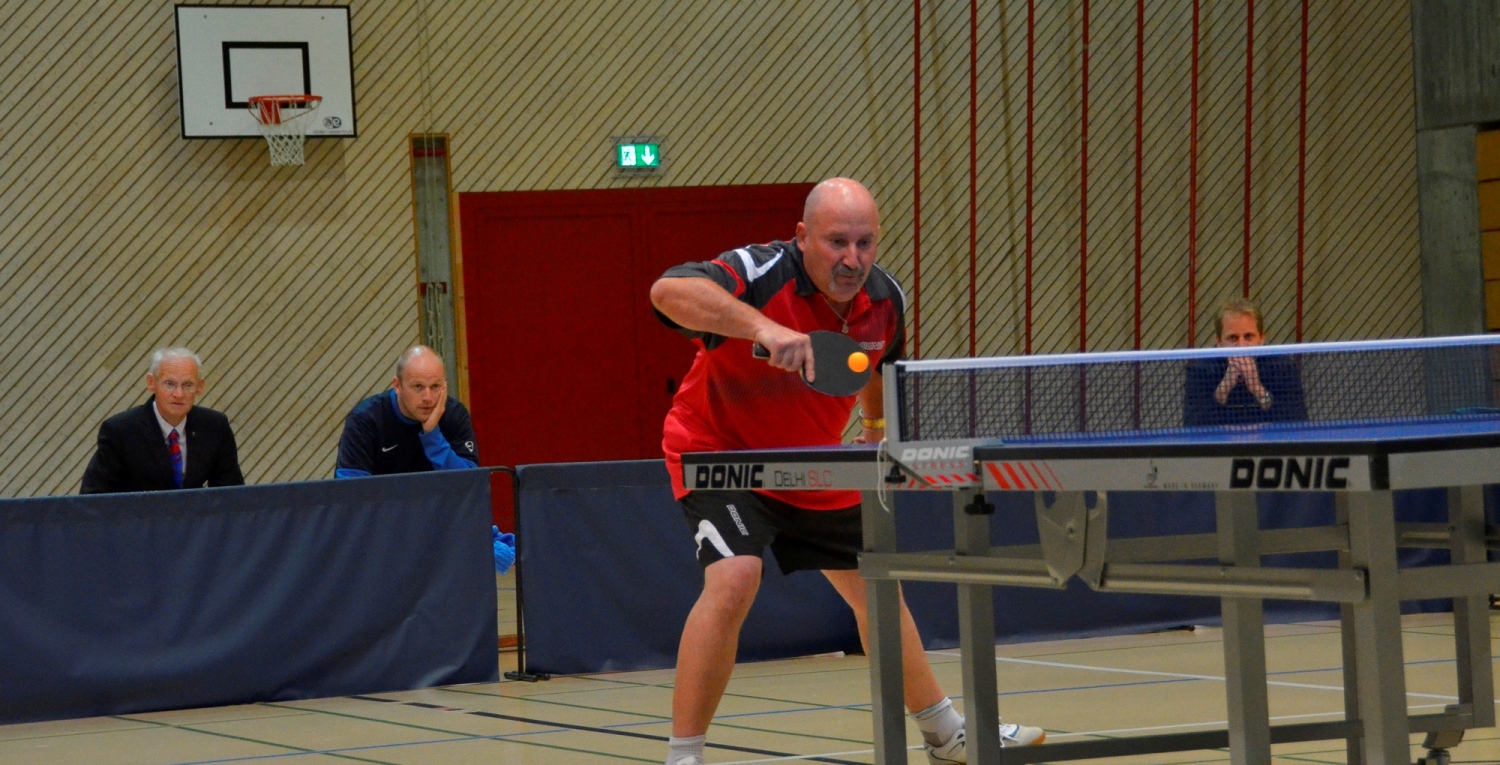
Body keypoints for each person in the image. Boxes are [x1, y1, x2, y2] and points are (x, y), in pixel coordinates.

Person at [649, 178, 1044, 765]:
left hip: (810, 460)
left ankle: (944, 734)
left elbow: (884, 365)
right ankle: (684, 757)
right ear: (803, 236)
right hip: (719, 453)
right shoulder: (757, 272)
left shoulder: (887, 299)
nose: (851, 259)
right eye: (837, 242)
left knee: (878, 588)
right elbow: (667, 291)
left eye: (864, 243)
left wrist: (876, 431)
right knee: (734, 579)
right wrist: (763, 327)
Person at [81, 347, 244, 493]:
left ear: (200, 387)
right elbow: (93, 498)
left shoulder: (214, 427)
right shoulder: (120, 430)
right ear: (151, 383)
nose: (179, 394)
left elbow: (233, 497)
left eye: (187, 385)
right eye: (169, 384)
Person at [335, 345, 479, 477]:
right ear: (397, 386)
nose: (427, 398)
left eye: (435, 386)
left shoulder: (455, 415)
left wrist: (432, 436)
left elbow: (470, 484)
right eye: (418, 387)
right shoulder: (364, 420)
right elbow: (349, 493)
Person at [1184, 298, 1308, 427]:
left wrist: (1257, 388)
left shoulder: (1283, 367)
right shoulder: (1200, 370)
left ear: (1261, 339)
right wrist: (1224, 388)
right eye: (1233, 338)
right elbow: (1192, 425)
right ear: (1219, 342)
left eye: (1248, 336)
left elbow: (1298, 422)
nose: (1241, 345)